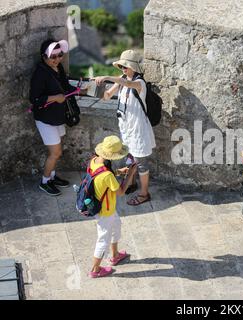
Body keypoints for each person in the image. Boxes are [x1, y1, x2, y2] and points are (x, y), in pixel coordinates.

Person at [93, 50, 155, 206]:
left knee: (141, 162)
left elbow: (128, 84)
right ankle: (132, 183)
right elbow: (107, 96)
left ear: (133, 67)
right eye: (121, 66)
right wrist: (99, 87)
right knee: (129, 157)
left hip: (138, 129)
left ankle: (144, 193)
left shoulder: (139, 83)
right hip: (127, 128)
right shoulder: (121, 79)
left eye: (125, 67)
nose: (123, 69)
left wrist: (106, 77)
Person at [29, 39, 87, 196]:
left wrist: (78, 90)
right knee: (55, 153)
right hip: (45, 119)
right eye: (52, 56)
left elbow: (65, 86)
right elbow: (34, 99)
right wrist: (55, 98)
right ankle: (45, 181)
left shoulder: (57, 68)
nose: (56, 59)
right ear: (44, 57)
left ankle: (52, 177)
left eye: (59, 55)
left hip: (56, 117)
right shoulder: (40, 74)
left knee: (58, 150)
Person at [89, 135, 137, 278]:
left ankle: (115, 255)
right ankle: (95, 270)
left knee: (117, 225)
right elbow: (121, 192)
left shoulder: (94, 161)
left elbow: (102, 175)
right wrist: (130, 174)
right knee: (103, 239)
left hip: (104, 206)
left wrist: (118, 172)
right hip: (105, 210)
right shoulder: (108, 176)